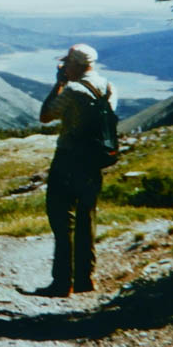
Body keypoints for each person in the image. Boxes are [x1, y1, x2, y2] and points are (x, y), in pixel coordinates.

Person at [34, 43, 118, 297]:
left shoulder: (72, 89)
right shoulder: (108, 87)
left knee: (62, 219)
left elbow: (46, 115)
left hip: (69, 159)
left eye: (67, 63)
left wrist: (58, 83)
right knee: (86, 217)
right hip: (94, 160)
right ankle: (85, 278)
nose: (64, 67)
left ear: (76, 65)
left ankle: (62, 282)